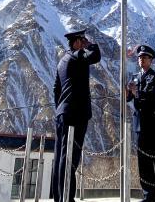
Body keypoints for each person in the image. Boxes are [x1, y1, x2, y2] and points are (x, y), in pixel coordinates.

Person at [52, 28, 101, 202]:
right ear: (78, 42)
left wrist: (62, 108)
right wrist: (91, 45)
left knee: (60, 156)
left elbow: (56, 89)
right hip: (75, 115)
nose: (85, 43)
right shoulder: (78, 55)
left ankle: (60, 197)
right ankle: (67, 198)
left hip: (62, 113)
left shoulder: (62, 61)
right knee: (70, 158)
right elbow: (95, 56)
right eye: (83, 40)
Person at [126, 44, 155, 202]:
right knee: (143, 162)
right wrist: (128, 91)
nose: (141, 60)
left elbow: (152, 96)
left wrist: (136, 92)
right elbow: (128, 99)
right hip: (140, 125)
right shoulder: (134, 77)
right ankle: (148, 195)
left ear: (151, 60)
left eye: (144, 57)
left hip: (154, 124)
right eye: (139, 58)